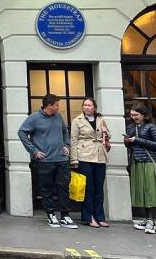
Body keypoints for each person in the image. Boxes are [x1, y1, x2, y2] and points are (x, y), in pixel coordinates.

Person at [18, 94, 77, 228]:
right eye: (56, 105)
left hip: (61, 159)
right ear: (49, 105)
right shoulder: (34, 118)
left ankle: (65, 216)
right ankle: (51, 214)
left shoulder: (58, 117)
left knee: (63, 187)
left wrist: (67, 145)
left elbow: (64, 131)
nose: (58, 107)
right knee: (47, 188)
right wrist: (34, 151)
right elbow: (22, 133)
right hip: (45, 160)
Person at [126, 101, 156, 235]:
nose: (134, 117)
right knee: (142, 191)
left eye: (136, 115)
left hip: (149, 161)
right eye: (132, 115)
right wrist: (128, 142)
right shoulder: (131, 127)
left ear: (143, 115)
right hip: (137, 160)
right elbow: (131, 146)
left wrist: (136, 140)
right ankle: (146, 219)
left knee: (150, 191)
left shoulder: (151, 127)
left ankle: (151, 220)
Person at [71, 97, 111, 227]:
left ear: (94, 107)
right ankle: (89, 217)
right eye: (85, 105)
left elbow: (108, 135)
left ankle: (100, 217)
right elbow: (74, 140)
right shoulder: (77, 121)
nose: (87, 107)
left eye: (90, 105)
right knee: (88, 188)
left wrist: (106, 133)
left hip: (100, 156)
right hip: (85, 156)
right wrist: (74, 159)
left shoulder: (100, 119)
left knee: (99, 188)